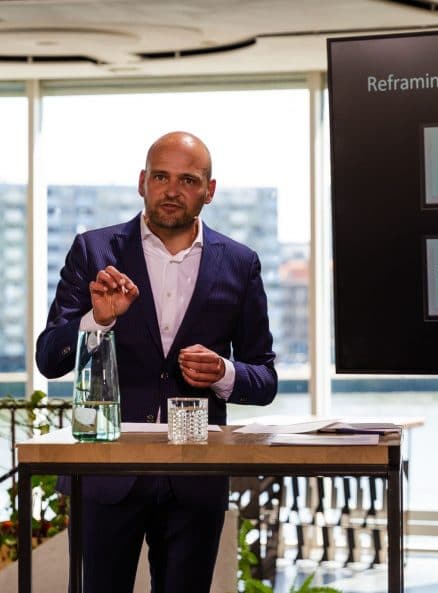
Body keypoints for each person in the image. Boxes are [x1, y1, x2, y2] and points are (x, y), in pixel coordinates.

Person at [36, 131, 277, 593]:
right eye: (162, 177)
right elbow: (50, 359)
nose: (172, 189)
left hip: (195, 473)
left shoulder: (241, 263)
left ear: (209, 190)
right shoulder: (94, 251)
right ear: (142, 181)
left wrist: (224, 373)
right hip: (105, 471)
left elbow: (263, 377)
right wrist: (95, 321)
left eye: (188, 179)